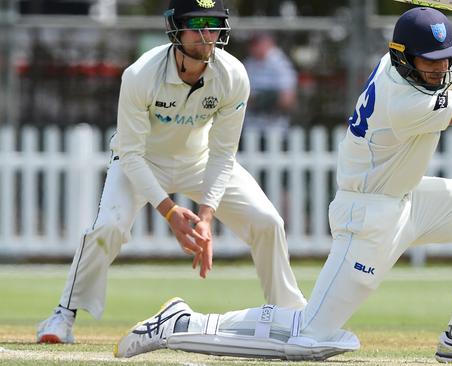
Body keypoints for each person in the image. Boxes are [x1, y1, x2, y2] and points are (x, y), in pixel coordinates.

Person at [114, 0, 452, 364]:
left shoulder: (419, 67)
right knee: (311, 337)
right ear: (404, 58)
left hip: (408, 199)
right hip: (369, 217)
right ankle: (181, 324)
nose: (441, 70)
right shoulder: (403, 100)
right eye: (430, 62)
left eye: (445, 60)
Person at [36, 0, 307, 344]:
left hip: (199, 159)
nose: (208, 35)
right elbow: (131, 153)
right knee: (108, 227)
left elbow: (223, 155)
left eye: (214, 25)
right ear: (175, 28)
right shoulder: (140, 75)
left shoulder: (234, 75)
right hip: (142, 161)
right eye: (198, 25)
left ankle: (290, 318)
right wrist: (170, 212)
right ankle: (62, 315)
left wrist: (205, 217)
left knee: (268, 222)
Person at [242, 33, 298, 131]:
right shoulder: (248, 64)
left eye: (257, 44)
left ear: (268, 43)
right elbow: (241, 96)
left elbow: (287, 99)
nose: (254, 48)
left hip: (275, 125)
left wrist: (264, 99)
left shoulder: (281, 64)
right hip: (251, 125)